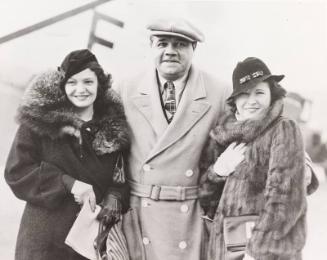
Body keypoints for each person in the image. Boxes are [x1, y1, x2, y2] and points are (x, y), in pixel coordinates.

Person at [115, 17, 231, 260]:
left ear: (193, 49)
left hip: (190, 218)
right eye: (162, 43)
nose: (170, 51)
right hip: (139, 216)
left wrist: (299, 164)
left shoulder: (219, 91)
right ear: (151, 46)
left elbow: (253, 130)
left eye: (180, 44)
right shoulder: (126, 88)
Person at [4, 49, 130, 260]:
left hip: (90, 243)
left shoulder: (114, 131)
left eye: (88, 82)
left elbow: (121, 179)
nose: (80, 90)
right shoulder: (38, 123)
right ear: (62, 86)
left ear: (100, 84)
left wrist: (115, 199)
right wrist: (68, 183)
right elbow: (17, 172)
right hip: (43, 243)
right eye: (72, 83)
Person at [201, 57, 309, 260]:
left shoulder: (282, 128)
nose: (252, 100)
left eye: (259, 92)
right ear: (234, 101)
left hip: (266, 253)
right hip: (226, 250)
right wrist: (217, 172)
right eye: (244, 94)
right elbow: (205, 198)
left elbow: (285, 198)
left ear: (272, 95)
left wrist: (256, 251)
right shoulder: (223, 136)